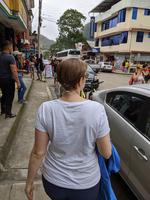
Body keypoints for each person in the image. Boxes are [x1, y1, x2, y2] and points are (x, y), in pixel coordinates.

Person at [25, 58, 112, 200]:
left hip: (53, 181)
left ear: (59, 79)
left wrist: (29, 183)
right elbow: (106, 153)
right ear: (81, 80)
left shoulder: (46, 109)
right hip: (86, 185)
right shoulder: (97, 110)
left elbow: (38, 153)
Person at [0, 41, 20, 118]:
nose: (12, 48)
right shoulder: (10, 57)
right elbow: (14, 71)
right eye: (11, 47)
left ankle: (3, 110)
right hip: (8, 80)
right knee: (10, 96)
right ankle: (8, 113)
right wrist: (18, 82)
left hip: (0, 79)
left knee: (4, 95)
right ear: (8, 47)